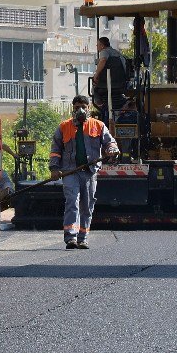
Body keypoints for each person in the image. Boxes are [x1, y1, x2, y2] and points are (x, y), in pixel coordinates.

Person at [49, 95, 120, 250]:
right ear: (73, 109)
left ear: (89, 108)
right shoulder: (64, 127)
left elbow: (109, 142)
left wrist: (112, 149)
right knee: (72, 201)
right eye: (76, 107)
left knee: (87, 206)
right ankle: (71, 238)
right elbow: (55, 150)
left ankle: (83, 238)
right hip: (70, 171)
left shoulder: (98, 126)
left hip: (89, 171)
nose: (80, 110)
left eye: (83, 106)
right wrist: (54, 168)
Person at [93, 36, 127, 119]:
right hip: (120, 84)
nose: (96, 47)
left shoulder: (104, 52)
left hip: (106, 85)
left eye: (97, 45)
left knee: (94, 87)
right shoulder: (117, 53)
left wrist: (96, 75)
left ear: (102, 46)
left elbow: (103, 60)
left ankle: (99, 103)